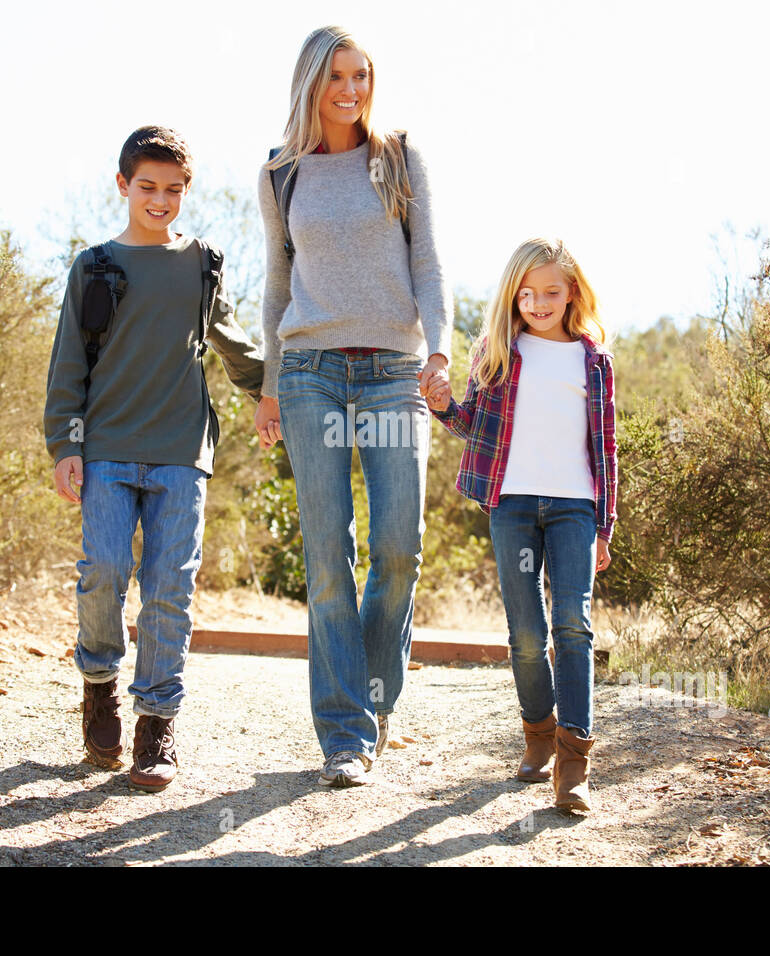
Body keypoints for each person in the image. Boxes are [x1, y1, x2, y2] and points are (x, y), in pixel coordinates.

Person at [252, 25, 452, 787]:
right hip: (309, 372)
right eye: (337, 75)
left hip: (396, 371)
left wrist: (438, 351)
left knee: (399, 546)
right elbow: (277, 284)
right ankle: (344, 735)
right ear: (311, 81)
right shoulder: (280, 174)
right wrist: (269, 386)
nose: (351, 88)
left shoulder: (398, 158)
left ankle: (374, 696)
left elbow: (429, 262)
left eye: (362, 74)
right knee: (328, 553)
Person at [44, 126, 264, 791]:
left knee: (169, 587)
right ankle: (98, 685)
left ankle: (157, 725)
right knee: (104, 570)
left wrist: (272, 393)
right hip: (107, 447)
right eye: (148, 187)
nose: (160, 200)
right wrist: (65, 444)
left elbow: (232, 343)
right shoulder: (94, 266)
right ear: (123, 186)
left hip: (180, 450)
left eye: (173, 190)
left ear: (185, 191)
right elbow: (69, 363)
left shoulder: (202, 264)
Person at [423, 237, 618, 811]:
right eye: (526, 293)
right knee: (527, 633)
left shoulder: (593, 360)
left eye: (551, 292)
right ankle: (538, 734)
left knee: (573, 625)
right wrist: (439, 406)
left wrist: (605, 524)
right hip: (510, 505)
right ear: (513, 295)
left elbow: (606, 448)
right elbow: (471, 427)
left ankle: (575, 763)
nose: (537, 302)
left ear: (572, 293)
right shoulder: (498, 352)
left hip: (574, 507)